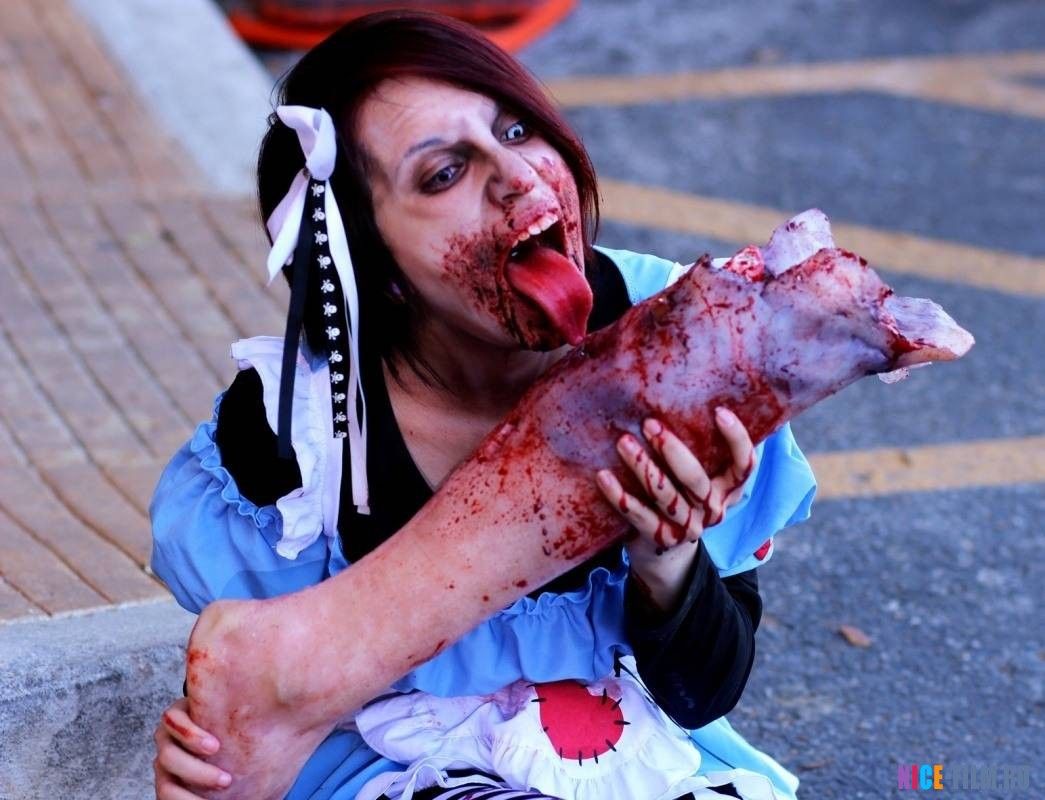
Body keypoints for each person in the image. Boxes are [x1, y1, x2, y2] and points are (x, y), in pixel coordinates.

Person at [149, 10, 816, 800]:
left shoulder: (677, 340)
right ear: (377, 267)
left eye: (516, 129)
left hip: (623, 755)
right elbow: (260, 687)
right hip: (387, 764)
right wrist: (205, 761)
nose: (517, 176)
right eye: (443, 173)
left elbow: (703, 693)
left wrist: (667, 558)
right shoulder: (300, 434)